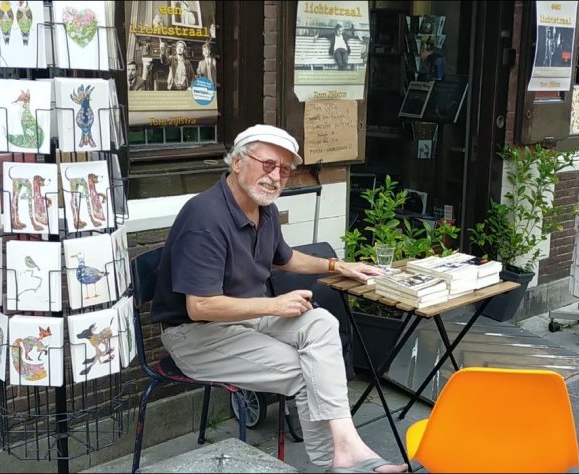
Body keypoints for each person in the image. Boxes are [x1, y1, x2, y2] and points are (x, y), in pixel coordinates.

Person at [149, 124, 408, 474]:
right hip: (195, 334)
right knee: (306, 370)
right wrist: (274, 304)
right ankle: (338, 462)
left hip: (245, 318)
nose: (275, 177)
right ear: (237, 162)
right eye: (268, 164)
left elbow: (284, 257)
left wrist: (337, 265)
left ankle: (347, 450)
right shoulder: (204, 217)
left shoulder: (264, 209)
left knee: (321, 322)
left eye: (285, 170)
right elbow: (200, 306)